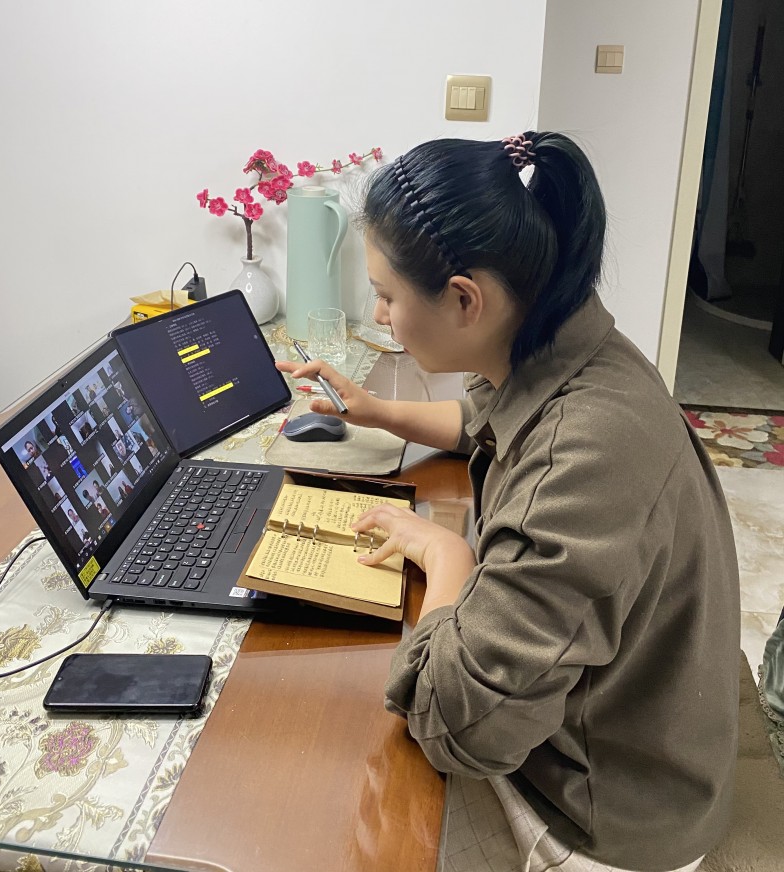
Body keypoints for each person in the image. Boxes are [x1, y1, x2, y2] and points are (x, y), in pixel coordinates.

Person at [276, 132, 740, 872]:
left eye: (388, 296)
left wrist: (447, 558)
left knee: (325, 792)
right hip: (614, 735)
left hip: (606, 813)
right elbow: (483, 420)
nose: (381, 315)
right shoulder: (565, 344)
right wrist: (378, 412)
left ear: (465, 299)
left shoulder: (585, 454)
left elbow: (456, 725)